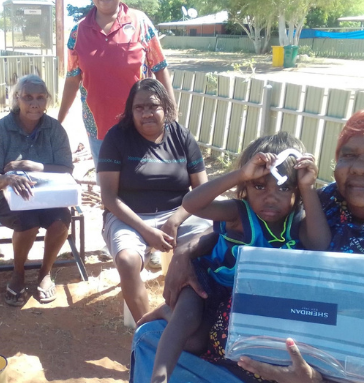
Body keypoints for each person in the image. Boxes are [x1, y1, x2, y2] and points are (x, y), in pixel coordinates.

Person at [131, 107, 364, 383]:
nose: (359, 167)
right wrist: (186, 250)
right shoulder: (329, 200)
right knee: (152, 336)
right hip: (219, 316)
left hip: (283, 366)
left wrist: (314, 379)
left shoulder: (303, 212)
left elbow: (319, 244)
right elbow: (209, 216)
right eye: (349, 155)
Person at [140, 132, 330, 383]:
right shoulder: (238, 213)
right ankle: (158, 376)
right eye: (259, 186)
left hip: (242, 300)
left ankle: (167, 312)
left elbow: (320, 244)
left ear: (295, 189)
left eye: (283, 187)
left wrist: (308, 188)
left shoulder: (296, 221)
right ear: (246, 187)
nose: (270, 197)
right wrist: (239, 174)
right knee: (187, 322)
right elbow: (192, 203)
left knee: (197, 342)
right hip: (208, 282)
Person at [98, 78, 211, 323]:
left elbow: (202, 190)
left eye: (153, 106)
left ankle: (192, 319)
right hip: (129, 217)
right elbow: (108, 197)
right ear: (130, 110)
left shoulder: (181, 136)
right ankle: (145, 329)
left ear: (165, 108)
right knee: (127, 260)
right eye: (139, 108)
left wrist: (176, 219)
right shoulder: (117, 138)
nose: (147, 113)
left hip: (179, 213)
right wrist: (146, 230)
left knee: (209, 244)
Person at [57, 0, 174, 167]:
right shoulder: (78, 32)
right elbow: (72, 80)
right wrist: (59, 120)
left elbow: (160, 68)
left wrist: (171, 116)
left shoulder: (140, 22)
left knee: (142, 183)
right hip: (98, 129)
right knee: (108, 188)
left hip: (141, 124)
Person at [0, 74, 73, 307]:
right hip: (8, 197)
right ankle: (19, 272)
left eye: (41, 98)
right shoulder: (0, 130)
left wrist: (33, 166)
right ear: (17, 99)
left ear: (47, 101)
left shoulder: (54, 129)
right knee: (28, 221)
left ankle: (44, 272)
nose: (35, 103)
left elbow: (66, 168)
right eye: (28, 97)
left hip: (48, 195)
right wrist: (7, 179)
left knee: (61, 219)